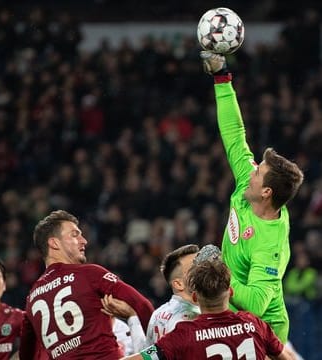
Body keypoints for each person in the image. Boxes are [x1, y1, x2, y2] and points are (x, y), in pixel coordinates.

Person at [200, 51, 305, 344]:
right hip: (231, 316)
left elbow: (257, 303)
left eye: (259, 172)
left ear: (266, 192)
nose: (252, 170)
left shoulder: (269, 242)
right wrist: (222, 77)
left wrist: (219, 273)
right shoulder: (250, 185)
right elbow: (235, 134)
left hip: (264, 334)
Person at [19, 209, 154, 359]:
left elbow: (25, 354)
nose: (84, 240)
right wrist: (159, 343)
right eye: (75, 235)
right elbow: (142, 305)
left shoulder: (32, 298)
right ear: (54, 243)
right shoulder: (89, 274)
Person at [121, 260, 291, 360]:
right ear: (230, 292)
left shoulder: (184, 335)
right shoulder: (254, 324)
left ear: (195, 297)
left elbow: (144, 357)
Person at [145, 244, 200, 345]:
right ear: (179, 284)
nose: (205, 271)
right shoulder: (190, 319)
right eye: (196, 268)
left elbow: (148, 354)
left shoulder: (157, 314)